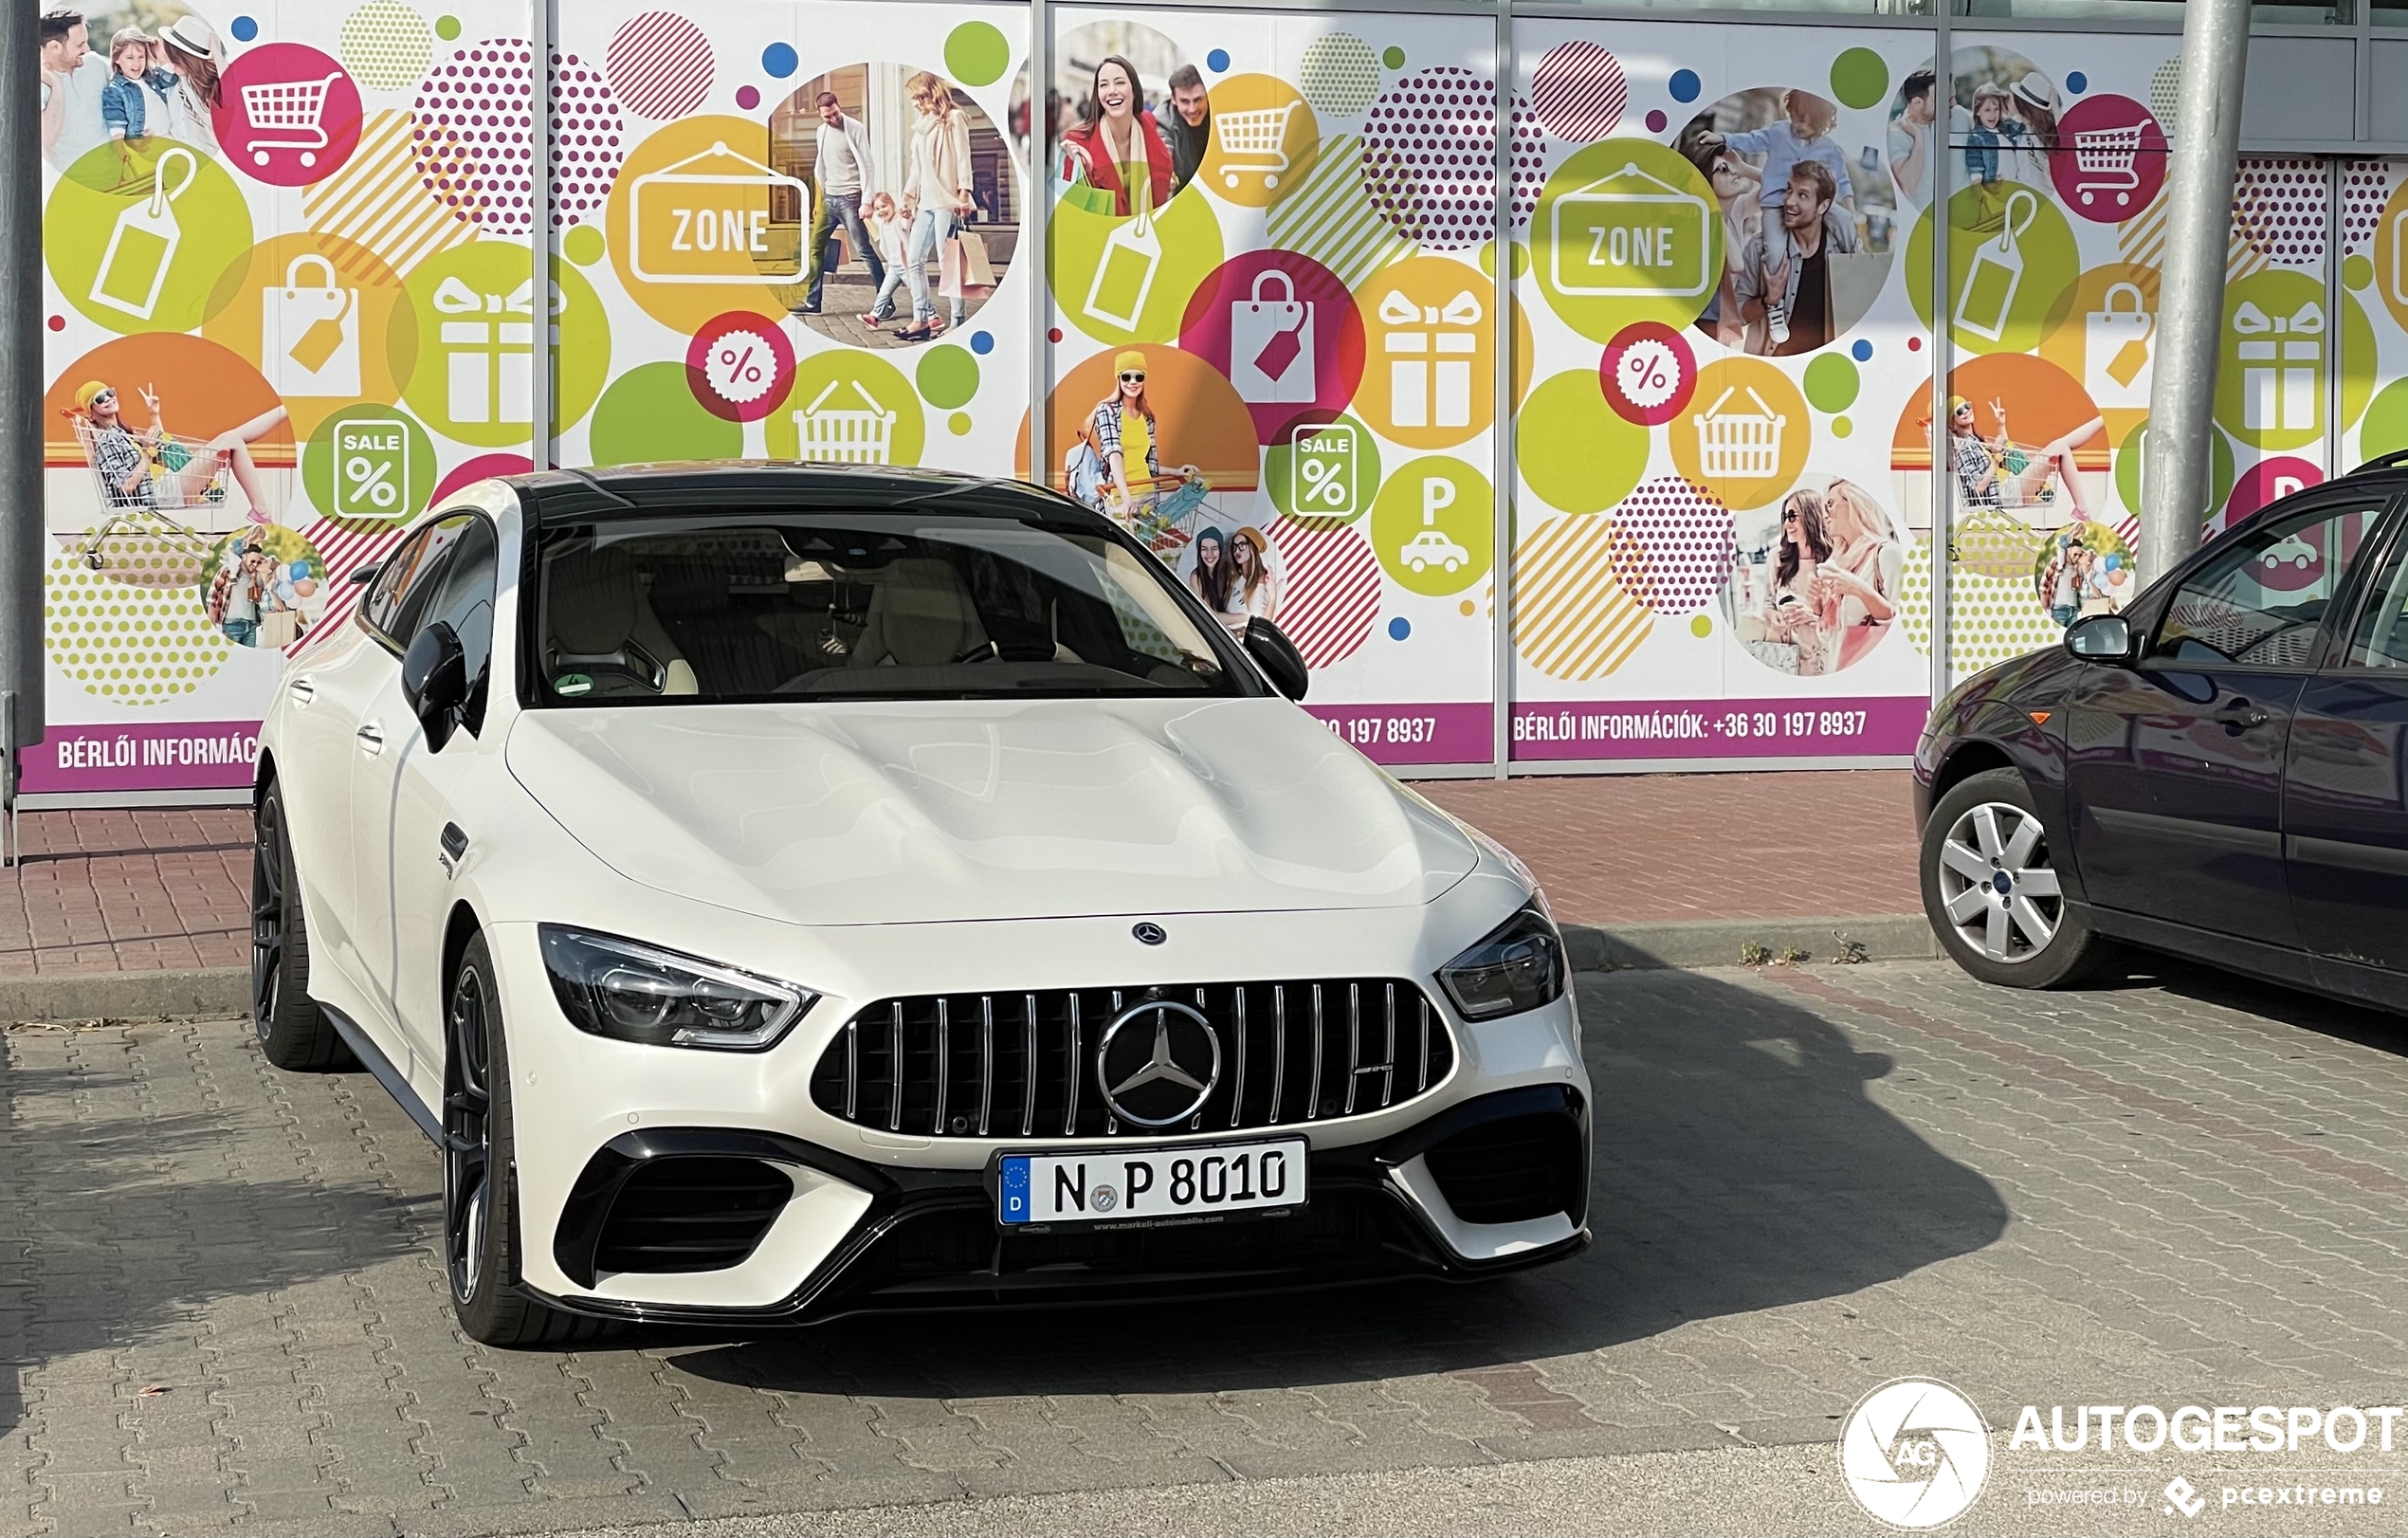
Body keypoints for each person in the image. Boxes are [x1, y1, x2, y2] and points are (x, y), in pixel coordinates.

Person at [69, 379, 285, 524]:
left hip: (168, 484)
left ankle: (283, 411)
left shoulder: (123, 432)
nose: (107, 399)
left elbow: (162, 446)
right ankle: (262, 512)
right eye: (99, 399)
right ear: (93, 410)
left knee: (233, 438)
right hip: (160, 492)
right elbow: (126, 486)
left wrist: (154, 414)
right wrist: (148, 454)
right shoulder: (109, 439)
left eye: (109, 392)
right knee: (231, 439)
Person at [1732, 161, 1860, 356]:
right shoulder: (1760, 250)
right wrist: (1768, 300)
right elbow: (1737, 315)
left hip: (1825, 367)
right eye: (1789, 190)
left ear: (1823, 206)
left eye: (1802, 195)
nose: (1789, 201)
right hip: (1773, 367)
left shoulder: (1842, 252)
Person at [1067, 350, 1198, 532]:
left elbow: (1146, 463)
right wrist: (1126, 496)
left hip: (1148, 495)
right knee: (1120, 556)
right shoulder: (1107, 411)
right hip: (1120, 499)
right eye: (1126, 377)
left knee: (1147, 555)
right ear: (1118, 379)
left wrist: (1177, 471)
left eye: (1139, 377)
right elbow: (1114, 455)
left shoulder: (1147, 417)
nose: (1133, 382)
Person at [896, 71, 975, 341]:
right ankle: (921, 319)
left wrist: (964, 194)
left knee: (947, 262)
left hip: (946, 201)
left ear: (933, 93)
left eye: (920, 97)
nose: (916, 103)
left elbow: (964, 159)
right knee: (913, 260)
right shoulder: (921, 126)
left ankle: (957, 320)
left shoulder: (954, 118)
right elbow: (916, 167)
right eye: (914, 99)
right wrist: (908, 197)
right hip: (925, 203)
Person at [795, 90, 885, 318]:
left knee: (864, 250)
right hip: (829, 200)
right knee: (815, 247)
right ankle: (813, 302)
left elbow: (868, 165)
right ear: (820, 114)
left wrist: (866, 201)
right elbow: (821, 165)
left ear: (838, 106)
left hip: (851, 199)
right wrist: (819, 199)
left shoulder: (855, 128)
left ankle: (885, 303)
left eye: (835, 113)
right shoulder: (821, 131)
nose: (833, 119)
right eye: (827, 116)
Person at [1948, 394, 2106, 520]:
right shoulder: (1965, 448)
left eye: (1967, 406)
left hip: (2009, 486)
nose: (1966, 410)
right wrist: (1996, 460)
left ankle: (2103, 420)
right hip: (2005, 494)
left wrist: (2001, 424)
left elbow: (2007, 452)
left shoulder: (1977, 441)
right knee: (2060, 446)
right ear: (1953, 421)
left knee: (2061, 446)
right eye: (1960, 411)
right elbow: (1977, 488)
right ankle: (2082, 510)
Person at [1704, 89, 1856, 216]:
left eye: (1801, 120)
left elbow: (1842, 180)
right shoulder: (1779, 132)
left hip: (1809, 212)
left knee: (1837, 224)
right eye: (1793, 117)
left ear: (1819, 119)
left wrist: (1850, 212)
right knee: (1776, 247)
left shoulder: (1828, 149)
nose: (1796, 125)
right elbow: (1752, 139)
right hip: (1776, 206)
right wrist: (1723, 138)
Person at [1059, 56, 1174, 217]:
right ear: (1097, 94)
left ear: (1134, 90)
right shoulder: (1078, 144)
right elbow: (1070, 208)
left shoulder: (1149, 127)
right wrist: (1084, 170)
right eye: (1104, 85)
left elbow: (1164, 174)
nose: (1112, 91)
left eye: (1120, 82)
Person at [1740, 490, 1835, 676]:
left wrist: (1813, 616)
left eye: (1792, 517)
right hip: (1785, 659)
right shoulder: (1777, 558)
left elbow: (1846, 619)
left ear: (1811, 516)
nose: (1786, 524)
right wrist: (1773, 614)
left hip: (1826, 662)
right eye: (1785, 517)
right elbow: (1768, 602)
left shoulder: (1835, 560)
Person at [1682, 133, 1762, 348]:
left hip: (1722, 318)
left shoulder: (1735, 210)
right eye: (1723, 170)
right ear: (1703, 182)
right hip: (1701, 319)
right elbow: (1737, 264)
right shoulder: (1700, 221)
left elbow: (1783, 188)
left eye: (1730, 166)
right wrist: (1710, 206)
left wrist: (1746, 169)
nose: (1733, 172)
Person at [1815, 478, 1902, 670]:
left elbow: (1906, 627)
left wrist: (1859, 590)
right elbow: (1829, 639)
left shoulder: (1887, 554)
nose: (1825, 515)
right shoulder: (1836, 563)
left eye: (1830, 504)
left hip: (1875, 672)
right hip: (1840, 671)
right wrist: (1819, 608)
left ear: (1854, 503)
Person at [40, 9, 114, 171]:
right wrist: (56, 86)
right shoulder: (37, 86)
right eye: (80, 44)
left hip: (117, 175)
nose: (87, 49)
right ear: (54, 47)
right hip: (72, 184)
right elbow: (44, 140)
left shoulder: (95, 63)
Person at [154, 14, 224, 154]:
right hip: (204, 158)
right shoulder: (185, 82)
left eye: (175, 59)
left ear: (187, 59)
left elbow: (231, 92)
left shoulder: (220, 80)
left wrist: (216, 54)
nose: (171, 65)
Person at [100, 27, 177, 147]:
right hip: (144, 147)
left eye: (141, 57)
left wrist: (156, 50)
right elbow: (116, 126)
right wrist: (122, 151)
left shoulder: (151, 78)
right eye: (130, 58)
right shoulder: (115, 90)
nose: (137, 63)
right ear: (117, 59)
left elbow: (171, 75)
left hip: (168, 139)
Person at [1888, 68, 1937, 210]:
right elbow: (1908, 183)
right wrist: (1918, 138)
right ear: (1917, 103)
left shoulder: (1943, 125)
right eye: (1936, 99)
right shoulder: (1896, 135)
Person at [861, 191, 909, 326]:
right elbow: (883, 244)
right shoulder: (883, 225)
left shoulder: (899, 220)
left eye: (884, 206)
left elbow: (907, 224)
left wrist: (907, 216)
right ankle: (874, 316)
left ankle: (932, 315)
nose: (881, 211)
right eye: (877, 209)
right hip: (894, 267)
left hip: (906, 266)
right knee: (883, 293)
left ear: (892, 204)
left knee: (917, 292)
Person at [2001, 72, 2059, 187]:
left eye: (2023, 111)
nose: (2019, 116)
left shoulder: (2055, 133)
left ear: (2033, 112)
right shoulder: (2025, 128)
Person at [1164, 63, 1211, 197]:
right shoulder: (1163, 120)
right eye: (1184, 101)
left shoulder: (1221, 114)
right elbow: (1163, 144)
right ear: (1173, 99)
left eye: (1198, 100)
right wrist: (1166, 171)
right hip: (1184, 195)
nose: (1192, 109)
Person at [1227, 526, 1278, 626]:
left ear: (1252, 548)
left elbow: (1262, 624)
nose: (1237, 551)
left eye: (1242, 546)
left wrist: (1272, 597)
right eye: (1235, 546)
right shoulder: (1236, 578)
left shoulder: (1261, 582)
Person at [1963, 83, 2010, 186]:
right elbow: (1975, 174)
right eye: (1987, 110)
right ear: (1977, 111)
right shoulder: (1977, 138)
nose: (1992, 115)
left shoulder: (2007, 130)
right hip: (1994, 194)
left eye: (1996, 109)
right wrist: (1982, 197)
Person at [1189, 526, 1232, 613]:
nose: (1209, 554)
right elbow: (1210, 615)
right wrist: (1244, 618)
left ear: (1220, 550)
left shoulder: (1227, 573)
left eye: (1214, 548)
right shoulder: (1196, 577)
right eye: (1204, 549)